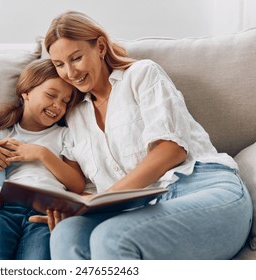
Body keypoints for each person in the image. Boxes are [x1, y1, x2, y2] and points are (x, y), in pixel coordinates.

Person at [29, 10, 253, 260]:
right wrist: (67, 206)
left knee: (111, 237)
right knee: (66, 233)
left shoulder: (141, 75)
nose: (70, 72)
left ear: (100, 47)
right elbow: (78, 184)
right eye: (60, 65)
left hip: (202, 188)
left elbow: (171, 150)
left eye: (76, 58)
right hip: (141, 210)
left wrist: (104, 197)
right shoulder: (74, 116)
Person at [0, 58, 85, 260]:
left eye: (65, 102)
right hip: (1, 208)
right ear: (26, 92)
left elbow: (76, 185)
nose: (57, 105)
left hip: (45, 212)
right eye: (51, 95)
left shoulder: (64, 135)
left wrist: (42, 154)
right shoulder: (1, 133)